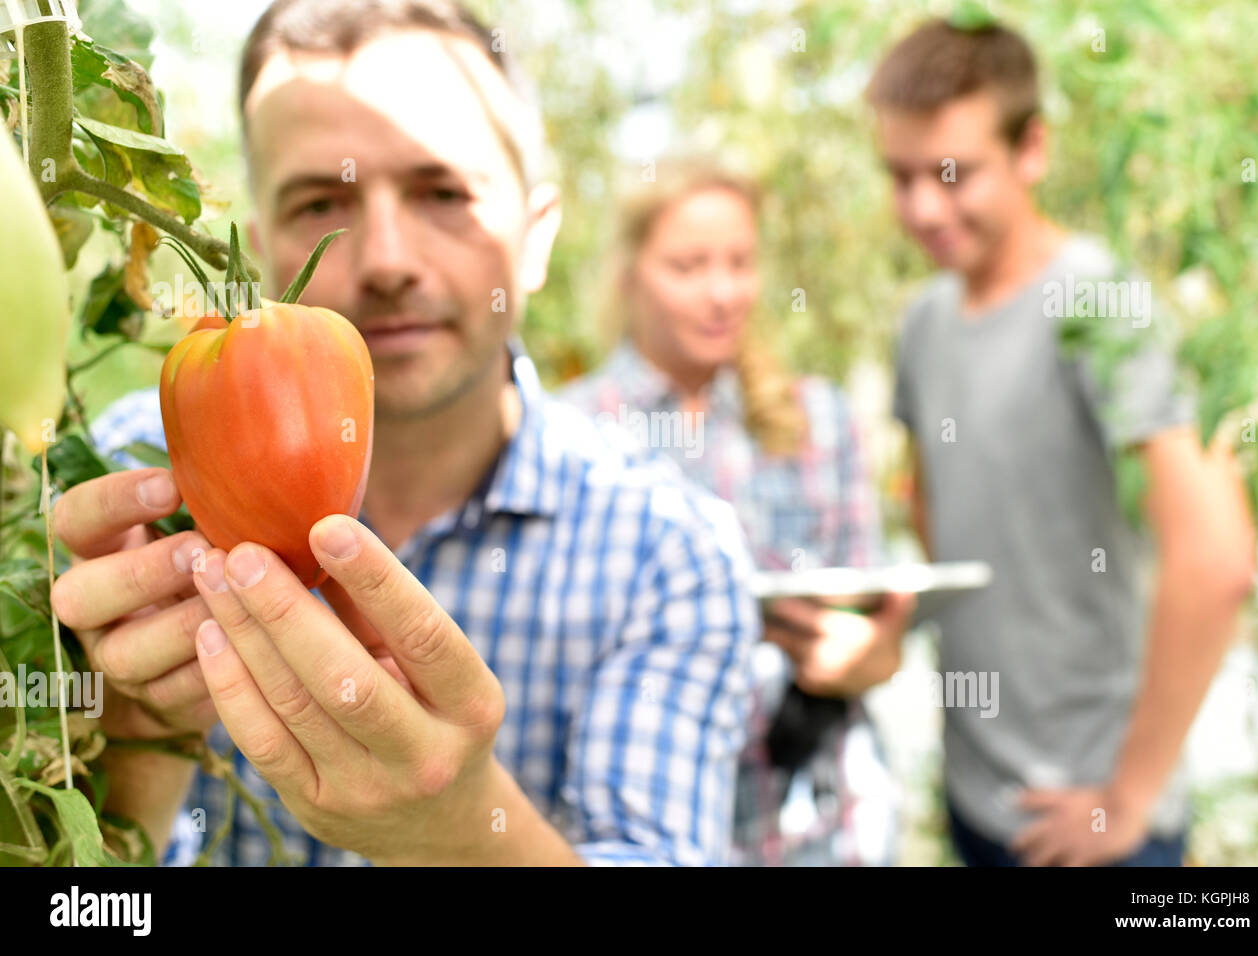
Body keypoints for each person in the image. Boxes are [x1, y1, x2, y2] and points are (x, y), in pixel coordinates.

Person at [51, 0, 761, 866]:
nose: (386, 257)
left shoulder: (668, 552)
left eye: (443, 193)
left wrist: (460, 833)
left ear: (536, 239)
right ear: (265, 245)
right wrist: (132, 733)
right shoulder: (115, 486)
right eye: (323, 200)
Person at [866, 17, 1256, 866]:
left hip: (1094, 829)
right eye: (900, 177)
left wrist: (1131, 798)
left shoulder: (1099, 302)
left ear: (1032, 149)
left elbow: (1217, 557)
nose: (923, 206)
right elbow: (937, 504)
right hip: (978, 798)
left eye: (953, 174)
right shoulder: (926, 324)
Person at [559, 160, 915, 865]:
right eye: (688, 267)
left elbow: (873, 626)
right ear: (630, 273)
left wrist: (868, 656)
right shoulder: (573, 436)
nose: (722, 293)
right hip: (656, 834)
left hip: (821, 829)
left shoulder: (819, 418)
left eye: (740, 264)